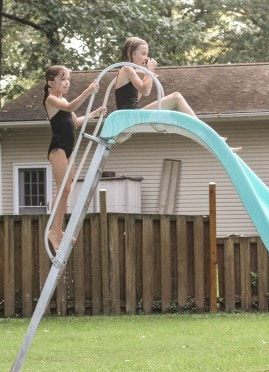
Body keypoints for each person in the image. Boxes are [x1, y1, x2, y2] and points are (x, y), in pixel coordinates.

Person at [43, 65, 106, 251]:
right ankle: (54, 232)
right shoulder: (51, 99)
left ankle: (58, 229)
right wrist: (87, 91)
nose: (67, 82)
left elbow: (76, 121)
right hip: (58, 150)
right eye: (63, 79)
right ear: (50, 82)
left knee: (66, 190)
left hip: (68, 150)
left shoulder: (62, 99)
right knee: (63, 189)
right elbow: (71, 107)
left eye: (68, 79)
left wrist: (95, 113)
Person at [115, 37, 196, 115]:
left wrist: (147, 75)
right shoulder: (127, 69)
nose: (146, 58)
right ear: (131, 53)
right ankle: (200, 128)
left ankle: (198, 127)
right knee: (176, 97)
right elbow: (146, 91)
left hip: (129, 114)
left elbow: (135, 99)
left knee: (176, 97)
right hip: (128, 115)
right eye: (143, 54)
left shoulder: (127, 70)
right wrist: (149, 71)